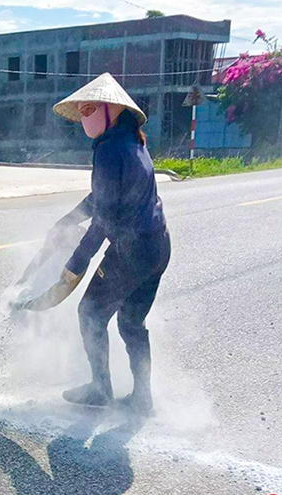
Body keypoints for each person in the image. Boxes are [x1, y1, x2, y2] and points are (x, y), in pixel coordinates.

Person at [12, 73, 171, 416]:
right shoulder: (132, 141)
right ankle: (143, 398)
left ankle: (101, 390)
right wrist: (68, 220)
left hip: (131, 251)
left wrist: (75, 264)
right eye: (81, 112)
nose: (84, 118)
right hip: (157, 246)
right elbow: (102, 197)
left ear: (112, 109)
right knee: (130, 322)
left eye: (90, 109)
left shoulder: (110, 148)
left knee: (90, 312)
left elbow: (105, 220)